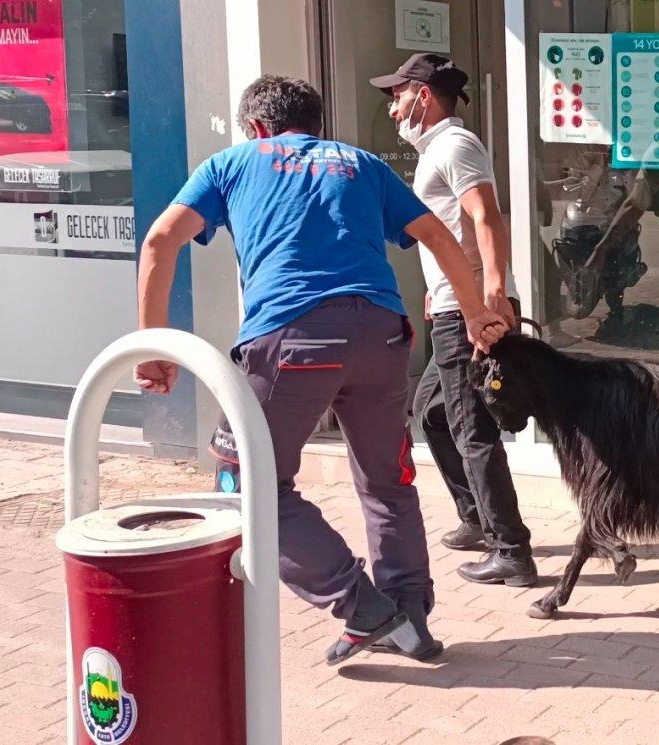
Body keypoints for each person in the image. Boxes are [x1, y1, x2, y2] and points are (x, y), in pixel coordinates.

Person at [134, 75, 508, 665]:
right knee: (388, 480)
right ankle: (410, 614)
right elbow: (437, 232)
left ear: (256, 127)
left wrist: (154, 347)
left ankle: (362, 606)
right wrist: (476, 312)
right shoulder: (360, 164)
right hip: (383, 336)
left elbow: (159, 241)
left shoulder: (231, 163)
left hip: (292, 341)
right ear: (315, 123)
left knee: (246, 483)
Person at [370, 54, 538, 587]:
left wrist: (488, 298)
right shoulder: (436, 151)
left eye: (395, 96)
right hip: (450, 304)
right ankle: (476, 517)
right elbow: (450, 229)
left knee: (473, 429)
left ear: (422, 95)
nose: (392, 108)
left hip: (468, 312)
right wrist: (435, 292)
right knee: (434, 414)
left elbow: (486, 216)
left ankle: (511, 550)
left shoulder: (456, 146)